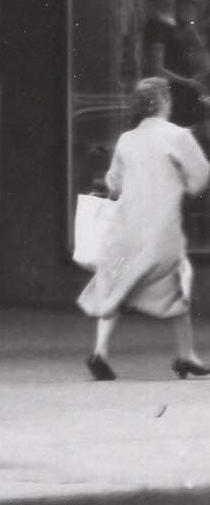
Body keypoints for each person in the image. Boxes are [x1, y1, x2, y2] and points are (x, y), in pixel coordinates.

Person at [81, 74, 210, 379]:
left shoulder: (127, 139)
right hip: (161, 229)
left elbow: (113, 183)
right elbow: (199, 180)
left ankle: (100, 351)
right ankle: (186, 354)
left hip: (126, 227)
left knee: (115, 285)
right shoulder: (178, 136)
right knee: (177, 286)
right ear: (165, 101)